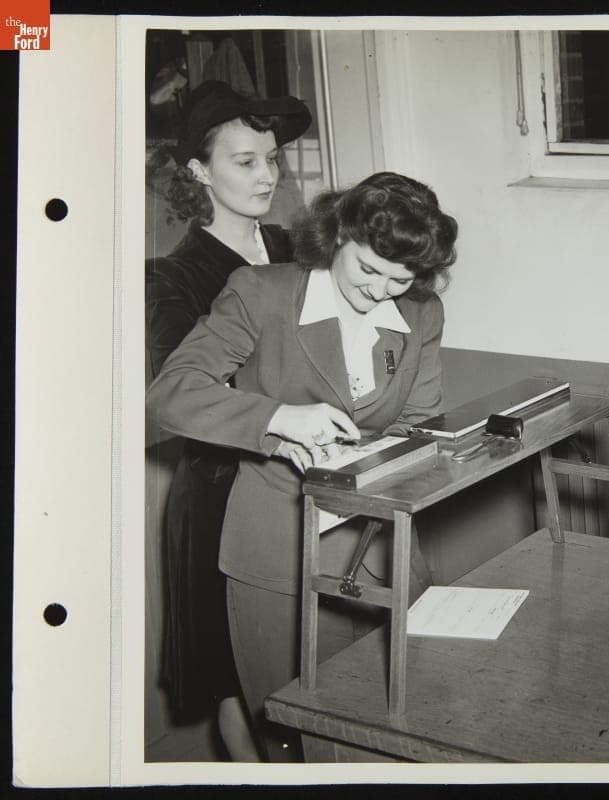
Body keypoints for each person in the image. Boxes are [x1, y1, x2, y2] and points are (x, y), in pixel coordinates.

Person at [146, 171, 458, 760]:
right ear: (338, 234)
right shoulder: (261, 292)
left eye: (401, 279)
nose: (380, 291)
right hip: (277, 554)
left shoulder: (420, 313)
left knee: (396, 730)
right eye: (368, 269)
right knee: (297, 737)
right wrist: (276, 419)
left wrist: (383, 452)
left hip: (382, 546)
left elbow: (421, 423)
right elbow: (170, 393)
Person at [146, 79, 312, 761]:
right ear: (197, 172)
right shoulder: (174, 277)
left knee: (305, 666)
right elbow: (182, 395)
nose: (267, 175)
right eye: (245, 161)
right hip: (221, 492)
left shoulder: (293, 248)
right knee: (236, 682)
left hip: (299, 481)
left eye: (272, 160)